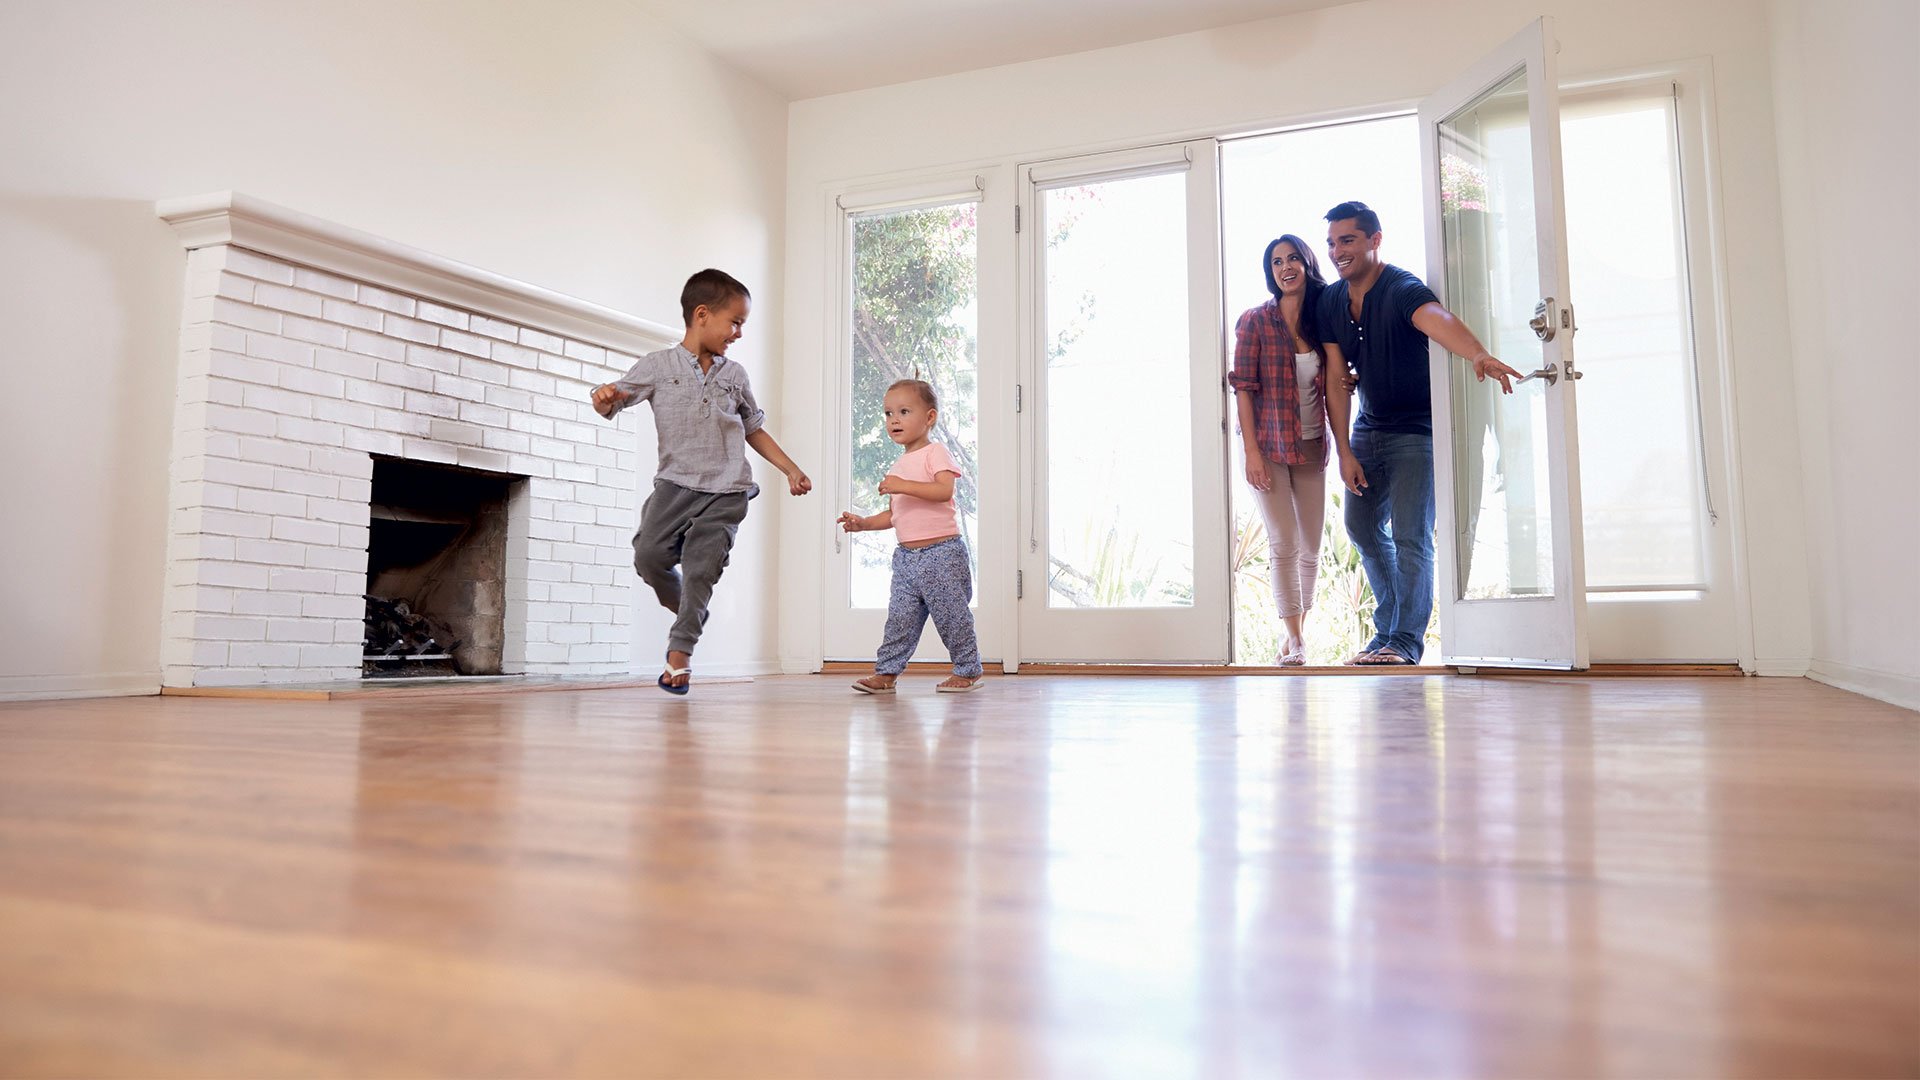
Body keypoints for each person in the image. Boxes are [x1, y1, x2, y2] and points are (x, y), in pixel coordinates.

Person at [1317, 201, 1522, 665]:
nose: (1337, 251)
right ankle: (1388, 632)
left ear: (1374, 240)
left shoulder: (1401, 287)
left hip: (1418, 433)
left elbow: (1437, 319)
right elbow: (1335, 377)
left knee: (1411, 535)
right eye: (1331, 243)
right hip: (1369, 428)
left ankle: (1404, 642)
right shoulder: (1331, 301)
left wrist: (1478, 354)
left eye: (1347, 240)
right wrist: (1344, 450)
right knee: (1362, 527)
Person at [590, 269, 811, 695]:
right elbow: (612, 400)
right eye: (735, 322)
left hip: (727, 490)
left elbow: (754, 429)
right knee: (648, 556)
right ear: (702, 314)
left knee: (699, 571)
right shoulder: (657, 366)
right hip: (674, 486)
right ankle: (691, 612)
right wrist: (603, 398)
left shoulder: (735, 376)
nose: (739, 333)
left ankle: (679, 656)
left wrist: (790, 469)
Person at [837, 379, 983, 694]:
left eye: (904, 411)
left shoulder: (935, 453)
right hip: (906, 559)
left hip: (941, 553)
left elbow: (943, 491)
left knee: (951, 615)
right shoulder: (900, 463)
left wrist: (901, 484)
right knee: (899, 619)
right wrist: (863, 523)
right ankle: (886, 673)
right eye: (889, 414)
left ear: (929, 418)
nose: (894, 420)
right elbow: (896, 514)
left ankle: (968, 670)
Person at [1230, 235, 1331, 666]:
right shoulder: (1255, 321)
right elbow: (1243, 389)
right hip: (1266, 444)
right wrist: (1251, 451)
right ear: (1270, 272)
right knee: (1284, 541)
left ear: (1307, 263)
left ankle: (1294, 637)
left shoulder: (1324, 319)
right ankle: (1296, 638)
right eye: (1276, 262)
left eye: (1292, 259)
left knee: (1310, 545)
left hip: (1310, 443)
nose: (1285, 267)